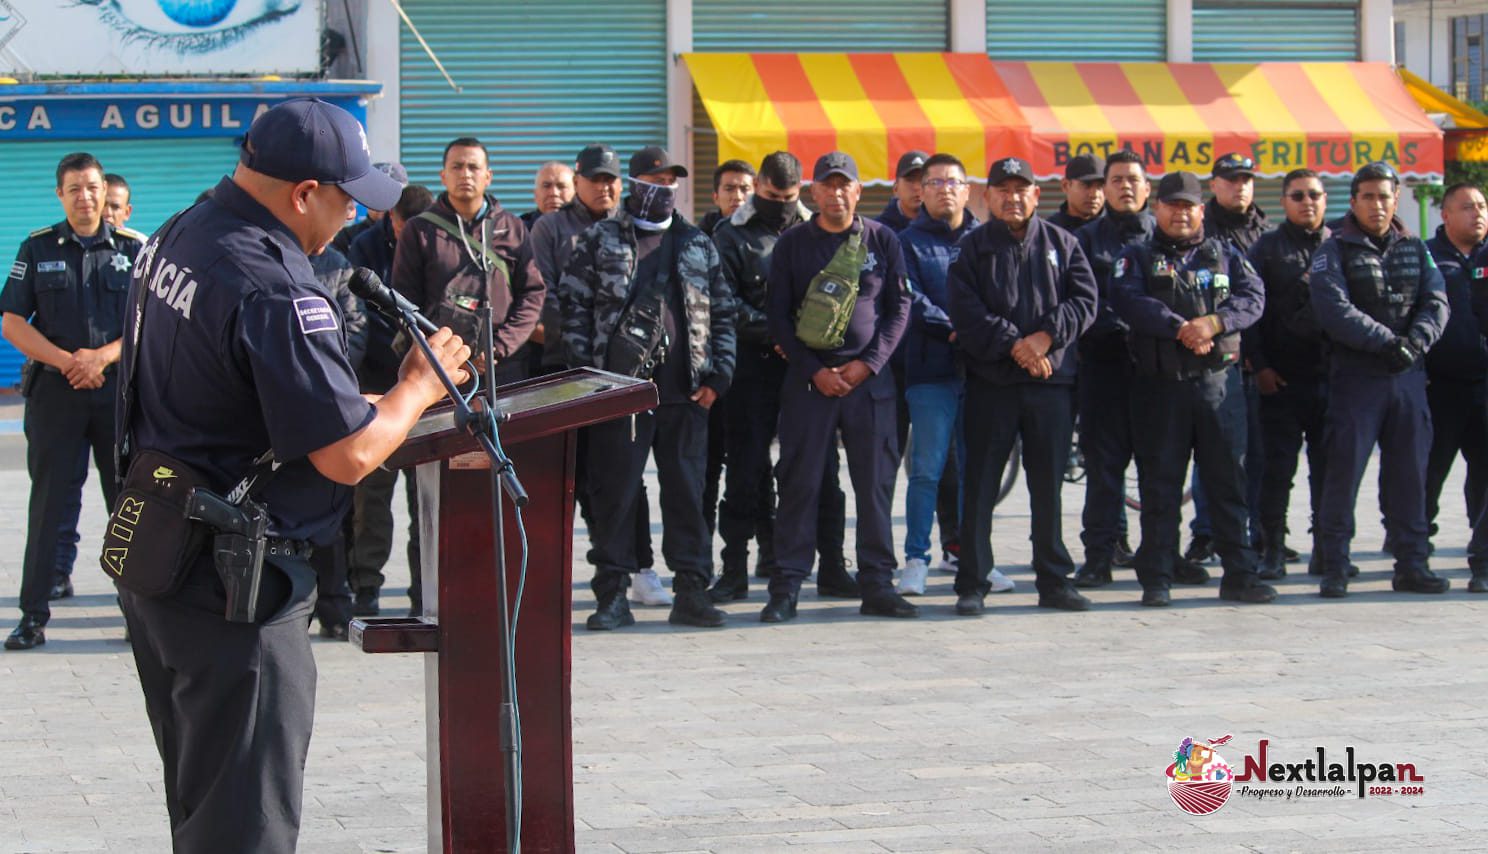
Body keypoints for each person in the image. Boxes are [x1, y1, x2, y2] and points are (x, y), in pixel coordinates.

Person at [116, 97, 470, 850]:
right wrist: (416, 388)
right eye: (347, 200)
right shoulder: (277, 284)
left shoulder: (184, 230)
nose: (351, 220)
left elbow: (232, 390)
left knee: (204, 805)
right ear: (304, 193)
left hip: (163, 552)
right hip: (233, 588)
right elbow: (347, 456)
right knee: (245, 823)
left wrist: (358, 400)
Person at [558, 146, 736, 630]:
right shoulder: (599, 239)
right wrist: (591, 377)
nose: (664, 186)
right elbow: (571, 308)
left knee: (688, 496)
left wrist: (719, 377)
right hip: (620, 396)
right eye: (655, 178)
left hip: (686, 394)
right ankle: (613, 594)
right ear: (636, 183)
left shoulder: (697, 242)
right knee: (614, 497)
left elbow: (722, 311)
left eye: (671, 178)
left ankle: (692, 591)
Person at [1109, 170, 1276, 607]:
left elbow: (1252, 297)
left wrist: (1214, 323)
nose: (1181, 213)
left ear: (1201, 210)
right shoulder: (1136, 255)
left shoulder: (1226, 254)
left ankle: (1240, 575)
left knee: (1228, 486)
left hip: (1218, 388)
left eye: (1189, 206)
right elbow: (1128, 299)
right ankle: (1157, 578)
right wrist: (1180, 327)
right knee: (1160, 487)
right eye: (1172, 205)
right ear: (1156, 208)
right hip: (1160, 389)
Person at [2, 152, 144, 650]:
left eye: (92, 187)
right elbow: (13, 321)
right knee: (47, 508)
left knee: (127, 508)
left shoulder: (136, 249)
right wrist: (68, 362)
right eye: (74, 189)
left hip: (117, 398)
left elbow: (149, 322)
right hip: (57, 397)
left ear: (106, 192)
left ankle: (139, 615)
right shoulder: (37, 249)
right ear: (59, 195)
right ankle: (32, 617)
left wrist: (101, 358)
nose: (84, 197)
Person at [762, 151, 912, 622]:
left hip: (870, 383)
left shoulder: (882, 240)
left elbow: (898, 310)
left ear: (858, 190)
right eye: (827, 185)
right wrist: (815, 371)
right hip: (812, 383)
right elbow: (778, 318)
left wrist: (869, 364)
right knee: (800, 483)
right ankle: (786, 587)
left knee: (874, 487)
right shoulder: (792, 245)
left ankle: (878, 585)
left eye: (844, 184)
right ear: (813, 193)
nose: (836, 192)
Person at [947, 156, 1097, 615]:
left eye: (1021, 189)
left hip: (1050, 384)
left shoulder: (1063, 243)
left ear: (1037, 194)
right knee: (981, 485)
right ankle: (972, 582)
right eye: (1002, 190)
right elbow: (964, 308)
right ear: (986, 196)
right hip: (993, 384)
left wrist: (1045, 339)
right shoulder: (972, 249)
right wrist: (1017, 345)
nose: (1012, 198)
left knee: (1047, 486)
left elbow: (1085, 301)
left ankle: (1054, 580)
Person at [708, 151, 852, 603]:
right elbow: (722, 301)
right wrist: (779, 334)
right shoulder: (729, 235)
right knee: (746, 473)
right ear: (758, 189)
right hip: (753, 367)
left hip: (807, 367)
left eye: (789, 197)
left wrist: (798, 340)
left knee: (822, 469)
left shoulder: (814, 229)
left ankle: (832, 564)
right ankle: (733, 569)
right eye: (772, 197)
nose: (782, 205)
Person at [530, 143, 664, 605]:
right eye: (595, 178)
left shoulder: (628, 227)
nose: (604, 187)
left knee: (625, 478)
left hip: (622, 376)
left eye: (611, 179)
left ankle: (641, 567)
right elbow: (545, 292)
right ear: (579, 183)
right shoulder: (551, 227)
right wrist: (569, 343)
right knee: (572, 479)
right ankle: (559, 576)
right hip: (566, 371)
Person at [1308, 162, 1450, 598]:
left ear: (1395, 199)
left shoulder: (1415, 246)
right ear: (1353, 201)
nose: (1377, 204)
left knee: (1410, 475)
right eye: (1367, 196)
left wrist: (1415, 343)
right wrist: (1389, 343)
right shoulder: (1332, 248)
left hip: (1407, 377)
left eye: (1384, 196)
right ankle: (1334, 564)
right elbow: (1334, 309)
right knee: (1343, 475)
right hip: (1357, 378)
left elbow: (1437, 300)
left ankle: (1411, 564)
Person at [893, 153, 994, 596]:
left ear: (967, 190)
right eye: (934, 183)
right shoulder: (904, 242)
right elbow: (910, 298)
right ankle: (916, 558)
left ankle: (976, 558)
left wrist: (981, 334)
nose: (944, 189)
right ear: (921, 192)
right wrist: (955, 330)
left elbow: (1001, 295)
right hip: (930, 370)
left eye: (953, 181)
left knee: (979, 470)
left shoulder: (987, 239)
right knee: (926, 470)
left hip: (984, 373)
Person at [391, 136, 545, 389]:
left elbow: (532, 294)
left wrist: (499, 347)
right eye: (457, 167)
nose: (465, 174)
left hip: (504, 367)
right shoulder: (419, 229)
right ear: (443, 176)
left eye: (473, 167)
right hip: (441, 369)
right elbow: (404, 303)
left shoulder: (512, 228)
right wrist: (444, 351)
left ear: (488, 176)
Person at [345, 183, 434, 617]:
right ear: (391, 219)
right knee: (372, 498)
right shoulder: (363, 247)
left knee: (427, 498)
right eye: (404, 226)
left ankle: (426, 589)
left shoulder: (437, 241)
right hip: (376, 386)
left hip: (426, 392)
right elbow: (359, 315)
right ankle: (365, 585)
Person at [1070, 151, 1150, 588]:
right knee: (1103, 469)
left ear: (1146, 187)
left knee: (1160, 469)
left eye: (1132, 179)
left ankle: (1159, 555)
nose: (1124, 187)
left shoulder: (1164, 234)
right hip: (1103, 367)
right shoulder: (1084, 240)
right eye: (1115, 180)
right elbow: (1080, 300)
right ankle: (1099, 556)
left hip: (1157, 372)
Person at [1186, 153, 1271, 564]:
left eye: (1246, 179)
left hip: (1260, 364)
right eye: (1231, 179)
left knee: (1251, 456)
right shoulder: (1203, 232)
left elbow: (1264, 299)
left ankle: (1254, 533)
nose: (1240, 186)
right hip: (1213, 362)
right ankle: (1206, 534)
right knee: (1212, 456)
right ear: (1213, 185)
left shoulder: (1266, 232)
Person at [1246, 169, 1331, 580]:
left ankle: (1327, 549)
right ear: (1284, 202)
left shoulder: (1341, 246)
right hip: (1279, 380)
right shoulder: (1266, 248)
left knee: (1330, 470)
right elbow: (1251, 314)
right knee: (1276, 471)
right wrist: (1259, 365)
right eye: (1297, 195)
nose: (1306, 202)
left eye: (1314, 194)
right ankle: (1273, 548)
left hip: (1332, 379)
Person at [1423, 183, 1488, 554]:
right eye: (1467, 207)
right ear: (1445, 215)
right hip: (1441, 385)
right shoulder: (1426, 256)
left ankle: (1480, 543)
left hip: (1484, 382)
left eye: (1481, 205)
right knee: (1430, 469)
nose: (1477, 213)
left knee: (1483, 470)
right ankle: (1416, 542)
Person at [331, 161, 408, 254]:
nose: (384, 201)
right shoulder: (345, 238)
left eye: (391, 195)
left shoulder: (413, 236)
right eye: (377, 192)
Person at [1046, 154, 1105, 232]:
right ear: (1066, 186)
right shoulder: (1048, 232)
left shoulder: (1115, 230)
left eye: (1100, 187)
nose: (1094, 195)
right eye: (1086, 185)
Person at [698, 159, 755, 235]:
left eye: (744, 189)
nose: (737, 197)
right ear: (716, 197)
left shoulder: (768, 230)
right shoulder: (702, 235)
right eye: (729, 189)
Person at [878, 150, 927, 232]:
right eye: (910, 180)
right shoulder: (877, 232)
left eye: (923, 180)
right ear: (896, 188)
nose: (917, 187)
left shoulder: (947, 229)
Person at [520, 160, 575, 228]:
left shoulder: (588, 229)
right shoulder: (519, 232)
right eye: (546, 186)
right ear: (535, 194)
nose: (554, 193)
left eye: (561, 187)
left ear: (576, 193)